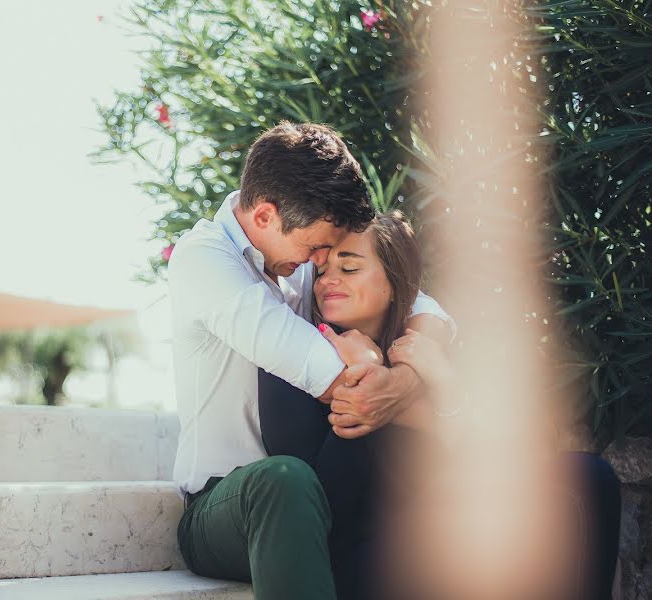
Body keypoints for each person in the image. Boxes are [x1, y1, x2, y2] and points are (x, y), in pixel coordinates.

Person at [258, 211, 622, 600]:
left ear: (396, 284)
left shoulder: (429, 354)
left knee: (586, 475)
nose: (328, 281)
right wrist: (365, 376)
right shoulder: (293, 362)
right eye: (323, 271)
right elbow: (324, 510)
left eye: (348, 268)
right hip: (357, 562)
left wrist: (444, 384)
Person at [168, 121, 454, 600]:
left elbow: (422, 305)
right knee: (285, 481)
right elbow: (331, 377)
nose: (321, 262)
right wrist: (432, 392)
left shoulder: (295, 261)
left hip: (321, 495)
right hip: (226, 508)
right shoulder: (203, 260)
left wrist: (405, 378)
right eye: (316, 247)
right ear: (264, 216)